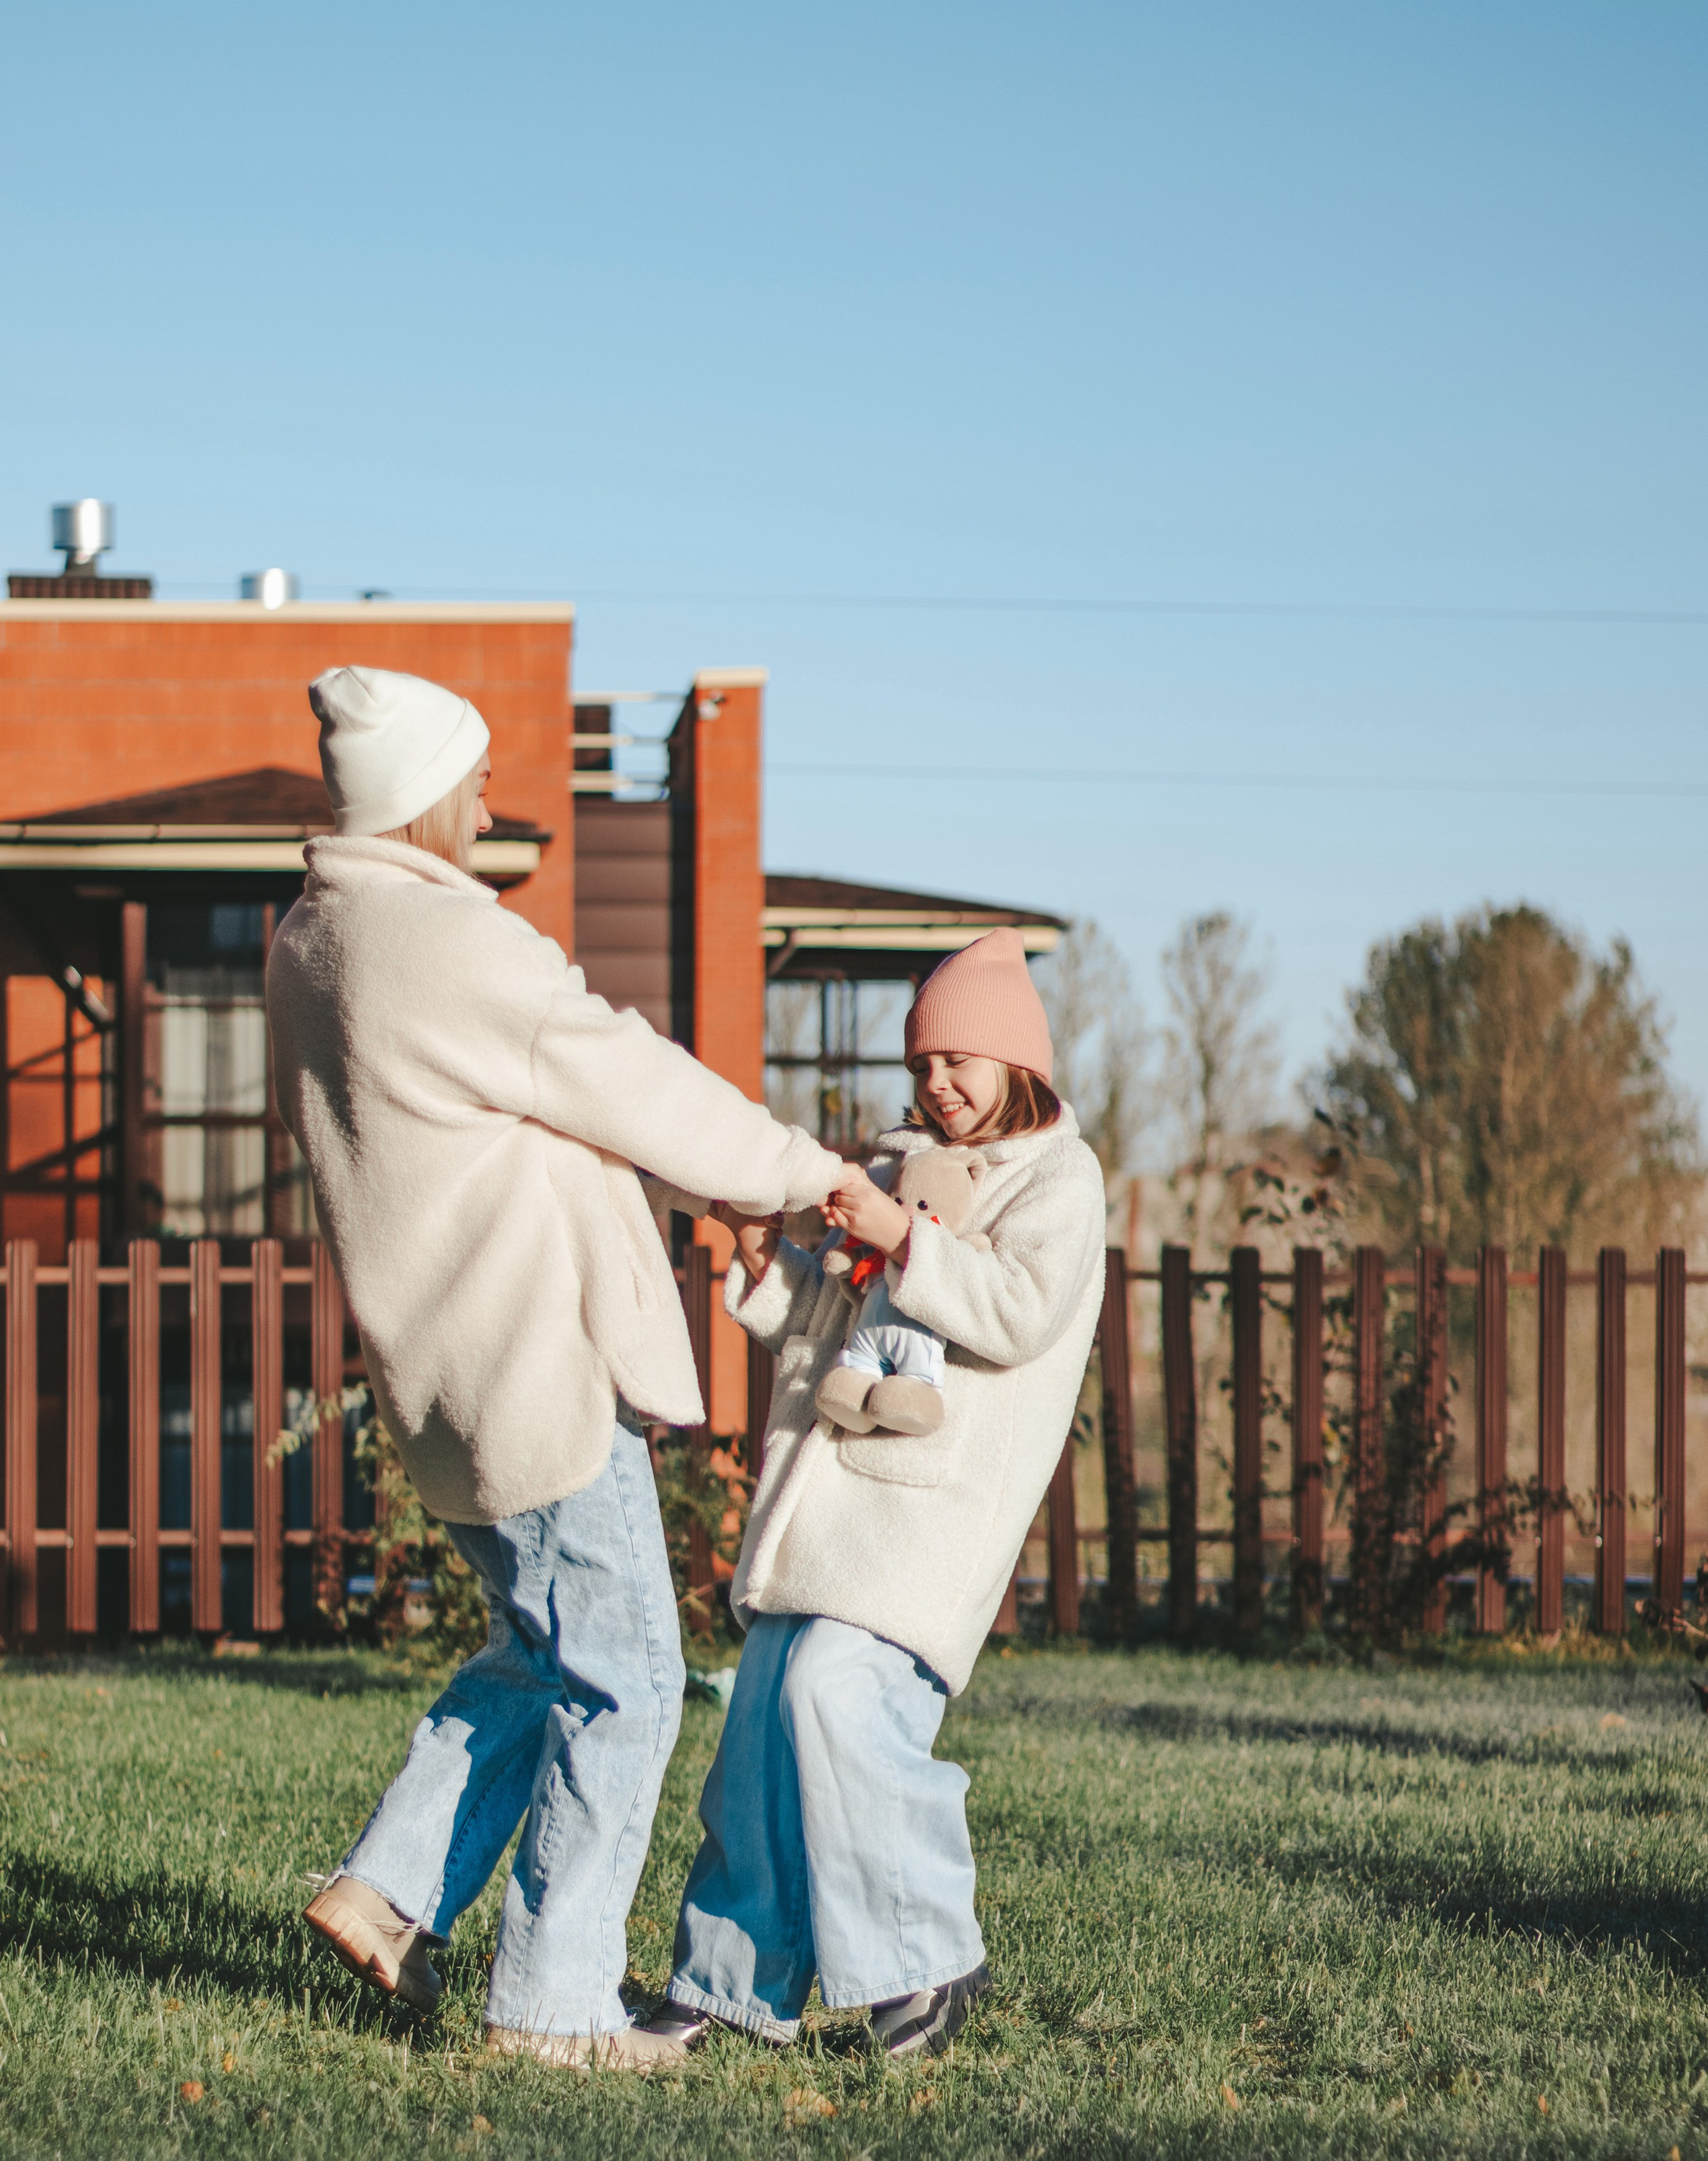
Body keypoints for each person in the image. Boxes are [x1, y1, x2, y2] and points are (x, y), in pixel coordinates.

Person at [266, 665, 844, 2068]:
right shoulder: (453, 948)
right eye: (466, 780)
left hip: (439, 1369)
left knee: (543, 1646)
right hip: (534, 1365)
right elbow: (622, 1076)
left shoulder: (312, 943)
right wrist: (800, 1175)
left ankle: (391, 1889)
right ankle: (552, 2006)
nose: (482, 803)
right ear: (417, 799)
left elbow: (517, 1120)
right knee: (628, 1679)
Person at [646, 926, 1107, 2062]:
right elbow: (844, 1329)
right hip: (832, 1508)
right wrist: (769, 1272)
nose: (935, 1083)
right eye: (921, 1066)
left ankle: (930, 1965)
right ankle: (728, 1985)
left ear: (1018, 1063)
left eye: (958, 1060)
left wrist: (901, 1232)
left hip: (926, 1517)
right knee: (761, 1724)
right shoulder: (902, 1169)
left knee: (836, 1698)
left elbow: (1018, 1311)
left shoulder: (1060, 1180)